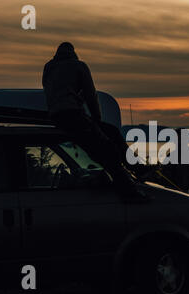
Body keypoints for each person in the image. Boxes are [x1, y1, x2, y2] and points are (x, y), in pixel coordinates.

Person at [42, 42, 145, 201]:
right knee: (107, 148)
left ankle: (135, 167)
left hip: (56, 116)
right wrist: (96, 119)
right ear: (73, 53)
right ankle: (128, 190)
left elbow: (51, 90)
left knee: (112, 131)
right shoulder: (79, 66)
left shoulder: (48, 67)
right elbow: (91, 96)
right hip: (73, 115)